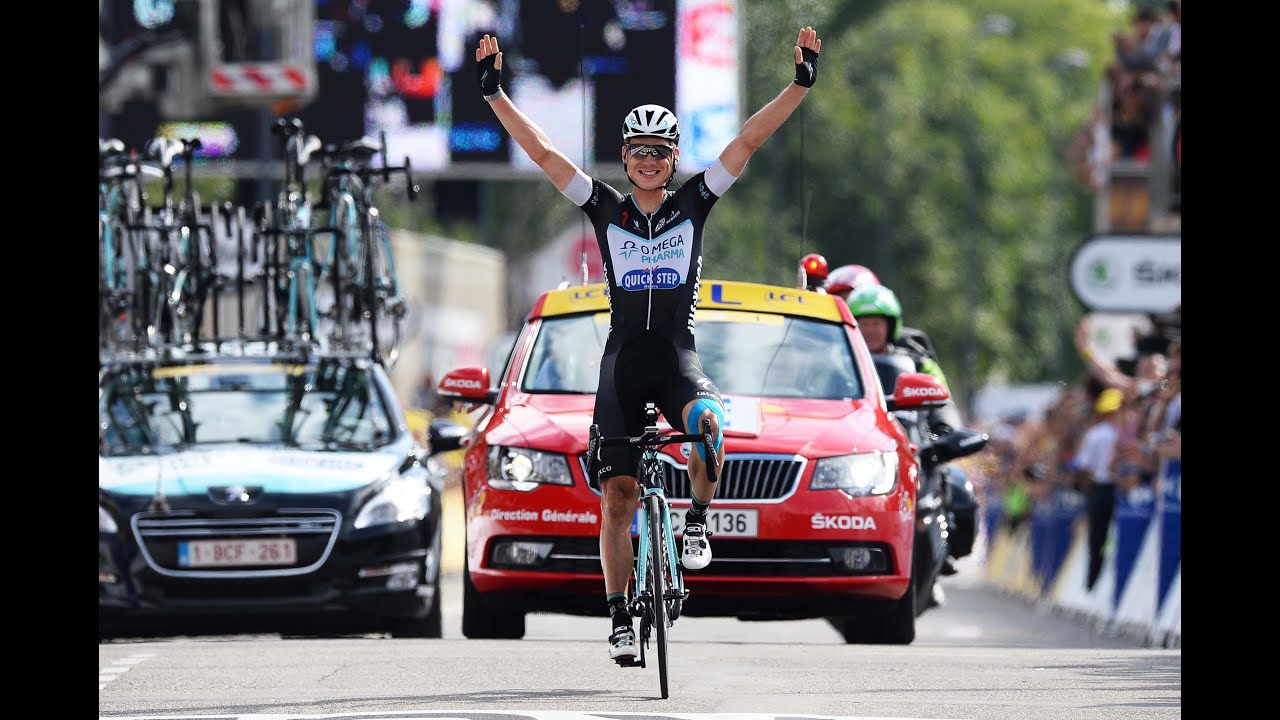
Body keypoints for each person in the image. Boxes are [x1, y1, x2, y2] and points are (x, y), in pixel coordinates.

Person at [473, 26, 824, 664]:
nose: (649, 160)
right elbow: (546, 152)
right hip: (622, 366)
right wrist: (496, 93)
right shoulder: (604, 209)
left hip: (676, 360)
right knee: (617, 496)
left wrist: (799, 85)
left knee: (711, 424)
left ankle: (695, 520)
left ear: (672, 157)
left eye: (660, 151)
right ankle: (617, 618)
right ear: (626, 156)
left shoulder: (697, 201)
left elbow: (747, 138)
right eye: (639, 151)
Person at [1071, 387, 1126, 591]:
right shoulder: (1121, 433)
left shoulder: (1095, 434)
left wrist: (1089, 492)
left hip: (1101, 490)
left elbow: (1085, 467)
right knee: (1114, 536)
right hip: (1120, 489)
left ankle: (1092, 584)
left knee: (1098, 539)